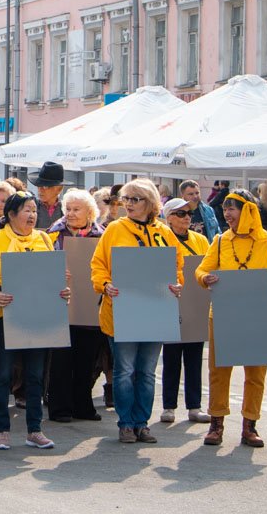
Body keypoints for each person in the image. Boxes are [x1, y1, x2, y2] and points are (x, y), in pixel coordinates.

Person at [196, 188, 267, 448]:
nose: (227, 214)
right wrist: (206, 278)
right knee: (219, 372)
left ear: (248, 210)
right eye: (225, 209)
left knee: (255, 373)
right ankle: (216, 424)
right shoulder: (220, 241)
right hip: (223, 313)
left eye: (232, 208)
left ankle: (249, 426)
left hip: (258, 315)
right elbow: (201, 270)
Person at [0, 192, 70, 450]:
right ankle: (2, 430)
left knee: (35, 375)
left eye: (34, 210)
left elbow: (52, 278)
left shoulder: (44, 239)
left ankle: (35, 430)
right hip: (5, 318)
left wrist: (62, 291)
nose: (32, 215)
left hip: (37, 317)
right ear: (11, 214)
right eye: (27, 210)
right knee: (3, 375)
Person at [91, 178, 183, 444]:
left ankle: (142, 423)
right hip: (122, 311)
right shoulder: (115, 229)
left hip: (155, 310)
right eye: (126, 199)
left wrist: (177, 284)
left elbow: (177, 266)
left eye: (135, 199)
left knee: (147, 372)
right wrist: (104, 285)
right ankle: (126, 423)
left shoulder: (164, 232)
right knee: (124, 371)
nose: (128, 204)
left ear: (150, 202)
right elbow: (98, 265)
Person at [46, 188, 107, 423]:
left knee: (87, 359)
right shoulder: (53, 234)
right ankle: (59, 408)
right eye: (68, 209)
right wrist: (55, 271)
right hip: (61, 303)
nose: (70, 213)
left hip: (91, 304)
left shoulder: (101, 236)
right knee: (61, 359)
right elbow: (43, 262)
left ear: (89, 212)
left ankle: (83, 406)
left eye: (76, 209)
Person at [158, 197, 211, 425]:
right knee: (171, 358)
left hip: (195, 304)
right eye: (180, 214)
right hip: (170, 302)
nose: (187, 217)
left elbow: (208, 266)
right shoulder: (161, 238)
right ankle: (168, 406)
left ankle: (194, 406)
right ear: (168, 217)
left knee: (194, 358)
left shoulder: (201, 240)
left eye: (189, 213)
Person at [31, 161, 65, 231]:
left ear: (59, 189)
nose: (40, 190)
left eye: (45, 186)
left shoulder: (66, 209)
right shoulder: (31, 205)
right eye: (38, 185)